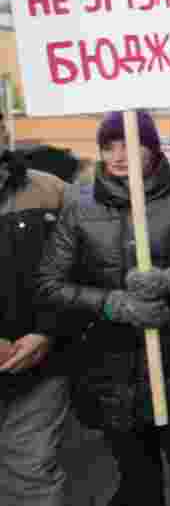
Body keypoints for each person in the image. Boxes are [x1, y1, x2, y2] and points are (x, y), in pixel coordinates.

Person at [32, 110, 170, 506]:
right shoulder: (79, 208)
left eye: (129, 144)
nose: (118, 155)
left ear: (152, 148)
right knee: (137, 472)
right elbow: (49, 284)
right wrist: (111, 304)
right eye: (109, 147)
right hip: (111, 368)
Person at [0, 146, 72, 506]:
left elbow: (82, 266)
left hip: (39, 369)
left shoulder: (52, 191)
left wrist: (49, 330)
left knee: (31, 473)